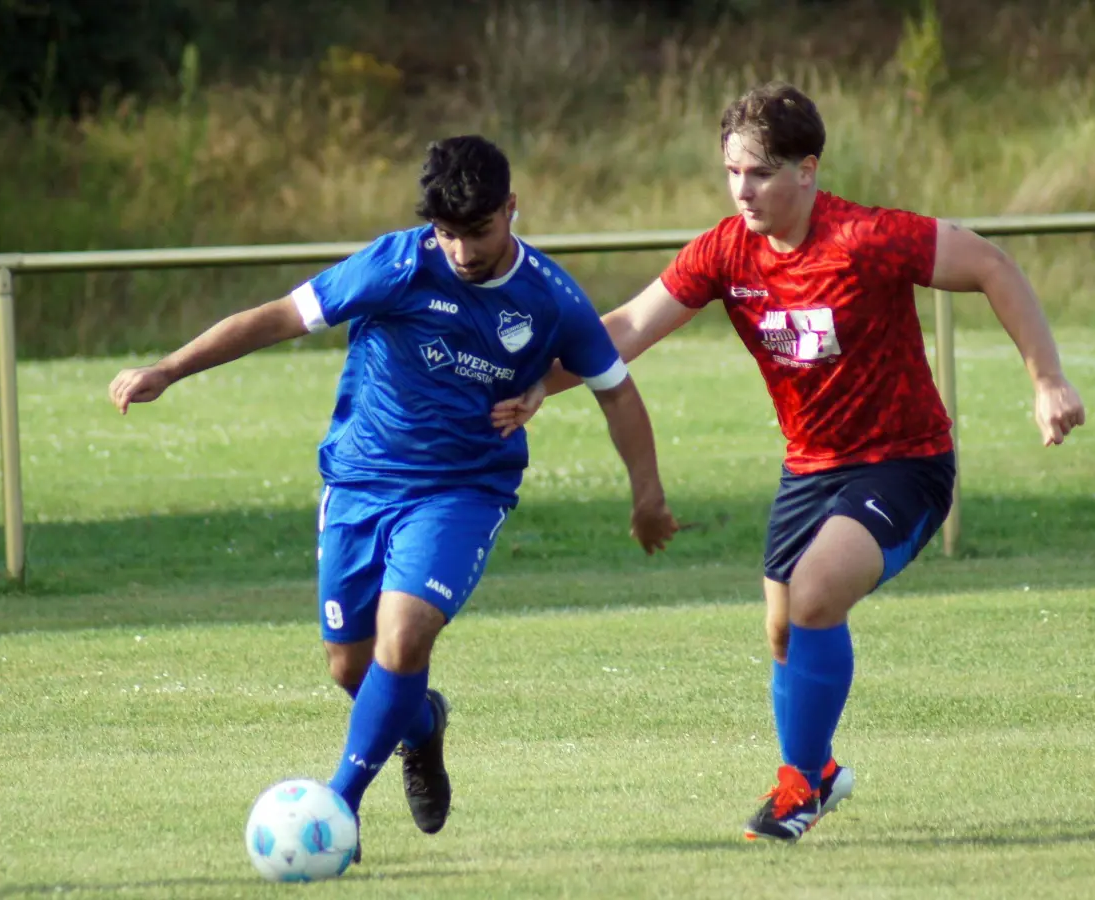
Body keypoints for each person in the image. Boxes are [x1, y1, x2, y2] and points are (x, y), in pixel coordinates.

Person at [527, 82, 1086, 842]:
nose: (742, 189)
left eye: (759, 172)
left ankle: (797, 787)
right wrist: (538, 386)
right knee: (786, 632)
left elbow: (991, 264)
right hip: (809, 469)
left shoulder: (867, 237)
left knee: (815, 595)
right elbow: (624, 326)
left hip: (905, 461)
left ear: (807, 170)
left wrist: (1046, 377)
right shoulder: (726, 250)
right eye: (732, 171)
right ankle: (817, 772)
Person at [108, 135, 679, 860]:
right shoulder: (397, 264)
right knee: (350, 667)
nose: (464, 251)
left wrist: (647, 496)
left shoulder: (550, 296)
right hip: (359, 482)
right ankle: (421, 728)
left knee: (404, 635)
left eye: (479, 230)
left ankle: (336, 808)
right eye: (448, 233)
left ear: (511, 209)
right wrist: (169, 369)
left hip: (464, 490)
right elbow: (280, 316)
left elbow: (616, 393)